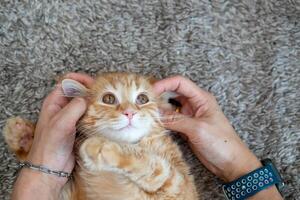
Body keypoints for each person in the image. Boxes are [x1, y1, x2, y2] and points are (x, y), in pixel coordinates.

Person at [11, 73, 283, 200]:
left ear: (162, 110)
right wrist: (239, 167)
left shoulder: (159, 143)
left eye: (142, 99)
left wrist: (40, 175)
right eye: (109, 99)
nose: (128, 110)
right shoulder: (85, 153)